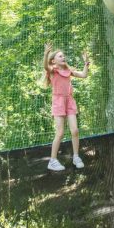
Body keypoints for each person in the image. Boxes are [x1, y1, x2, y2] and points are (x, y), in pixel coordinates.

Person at [43, 43, 89, 171]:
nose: (63, 57)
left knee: (75, 130)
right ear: (53, 60)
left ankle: (76, 157)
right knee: (60, 132)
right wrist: (46, 53)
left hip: (69, 100)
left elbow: (84, 75)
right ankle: (52, 160)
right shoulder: (53, 71)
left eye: (64, 56)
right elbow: (45, 66)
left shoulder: (68, 71)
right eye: (60, 56)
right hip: (58, 101)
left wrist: (86, 63)